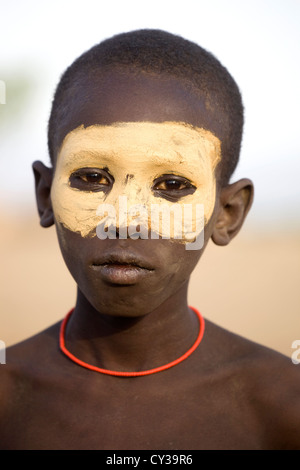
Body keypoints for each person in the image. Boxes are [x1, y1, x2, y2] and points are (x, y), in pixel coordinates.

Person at [0, 29, 299, 450]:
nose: (125, 219)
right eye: (91, 178)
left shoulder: (283, 405)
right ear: (45, 195)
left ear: (227, 214)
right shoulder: (7, 400)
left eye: (172, 184)